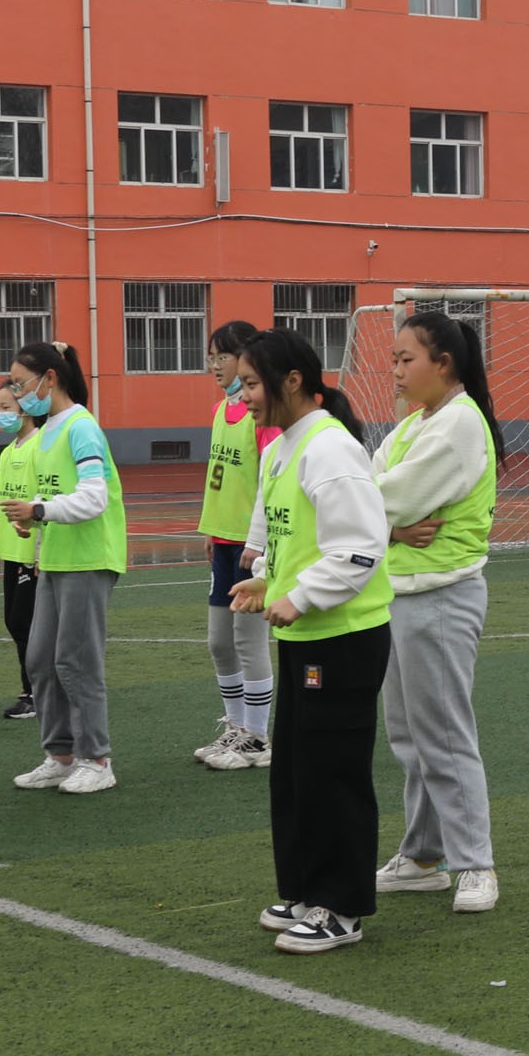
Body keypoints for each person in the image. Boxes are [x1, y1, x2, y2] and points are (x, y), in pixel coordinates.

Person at [229, 328, 393, 953]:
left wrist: (301, 597)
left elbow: (358, 549)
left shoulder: (329, 448)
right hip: (306, 636)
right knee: (297, 770)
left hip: (343, 638)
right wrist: (269, 582)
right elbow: (301, 541)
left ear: (292, 381)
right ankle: (305, 889)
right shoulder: (282, 449)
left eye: (249, 382)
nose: (242, 396)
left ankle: (342, 908)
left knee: (333, 771)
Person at [370, 310, 505, 914]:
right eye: (395, 359)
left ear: (442, 363)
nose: (395, 370)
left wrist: (385, 520)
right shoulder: (412, 427)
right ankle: (424, 856)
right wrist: (395, 531)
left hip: (440, 598)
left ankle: (474, 862)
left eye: (406, 359)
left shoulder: (457, 425)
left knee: (445, 734)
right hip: (399, 594)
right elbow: (371, 493)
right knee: (409, 734)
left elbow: (381, 496)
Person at [6, 341, 128, 796]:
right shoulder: (45, 432)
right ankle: (60, 755)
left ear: (49, 378)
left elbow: (93, 498)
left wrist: (39, 510)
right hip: (56, 559)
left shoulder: (81, 427)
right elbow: (55, 498)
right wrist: (32, 523)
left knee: (76, 662)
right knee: (40, 660)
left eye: (21, 383)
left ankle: (97, 759)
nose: (18, 394)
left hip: (89, 559)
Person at [194, 319, 276, 772]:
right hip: (224, 543)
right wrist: (213, 528)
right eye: (212, 357)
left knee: (248, 641)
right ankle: (236, 726)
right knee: (219, 642)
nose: (215, 366)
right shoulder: (219, 412)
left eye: (221, 357)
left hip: (250, 546)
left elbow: (268, 479)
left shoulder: (258, 417)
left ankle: (258, 737)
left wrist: (257, 540)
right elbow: (219, 478)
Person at [0, 377, 41, 721]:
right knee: (14, 621)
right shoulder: (8, 452)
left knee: (25, 622)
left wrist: (39, 554)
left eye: (6, 408)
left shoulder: (41, 448)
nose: (1, 414)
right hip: (10, 554)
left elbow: (44, 503)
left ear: (26, 409)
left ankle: (36, 692)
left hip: (32, 556)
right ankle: (34, 689)